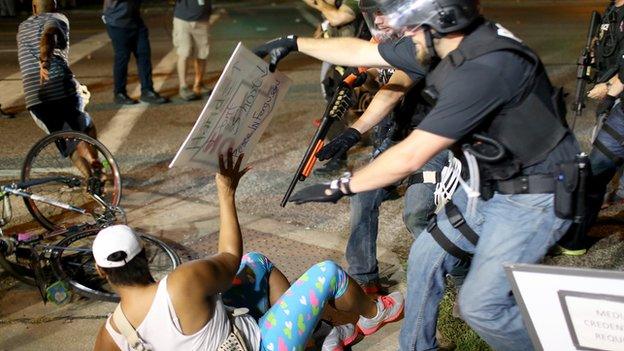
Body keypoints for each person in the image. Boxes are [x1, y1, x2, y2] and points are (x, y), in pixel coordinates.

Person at [254, 0, 580, 349]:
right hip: (487, 181)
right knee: (424, 260)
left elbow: (412, 154)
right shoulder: (444, 39)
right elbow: (365, 51)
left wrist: (341, 186)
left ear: (442, 17)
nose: (403, 33)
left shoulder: (485, 68)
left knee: (481, 308)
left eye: (410, 24)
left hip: (531, 197)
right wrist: (293, 42)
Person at [93, 150, 404, 351]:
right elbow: (228, 258)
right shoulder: (180, 283)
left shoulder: (111, 335)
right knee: (328, 273)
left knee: (254, 264)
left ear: (101, 271)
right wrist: (225, 192)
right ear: (145, 254)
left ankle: (316, 336)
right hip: (260, 346)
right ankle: (373, 314)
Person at [318, 0, 447, 294]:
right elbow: (380, 75)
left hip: (434, 139)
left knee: (416, 213)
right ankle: (365, 278)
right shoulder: (384, 38)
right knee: (362, 192)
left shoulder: (421, 40)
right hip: (397, 135)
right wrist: (366, 75)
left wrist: (353, 131)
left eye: (384, 11)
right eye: (373, 13)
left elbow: (393, 90)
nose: (378, 19)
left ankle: (452, 275)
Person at [556, 0, 624, 254]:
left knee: (594, 173)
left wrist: (610, 88)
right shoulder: (611, 10)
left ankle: (572, 238)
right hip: (613, 105)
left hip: (619, 105)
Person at [17, 0, 100, 176]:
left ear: (33, 8)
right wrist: (45, 61)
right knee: (85, 125)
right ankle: (95, 161)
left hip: (35, 96)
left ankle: (89, 178)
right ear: (54, 4)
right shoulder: (58, 17)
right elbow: (49, 34)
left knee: (65, 139)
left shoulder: (22, 27)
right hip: (60, 86)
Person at [302, 0, 365, 176]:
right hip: (340, 68)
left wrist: (318, 3)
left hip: (360, 69)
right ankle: (338, 159)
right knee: (334, 114)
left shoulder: (351, 3)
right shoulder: (330, 10)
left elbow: (338, 18)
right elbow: (319, 37)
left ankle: (341, 161)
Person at [102, 0, 168, 105]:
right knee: (122, 57)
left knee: (144, 54)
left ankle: (147, 90)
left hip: (135, 20)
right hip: (117, 21)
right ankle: (119, 93)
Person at [172, 0, 212, 101]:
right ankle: (183, 86)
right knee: (184, 52)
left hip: (202, 20)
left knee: (202, 53)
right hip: (183, 20)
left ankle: (198, 84)